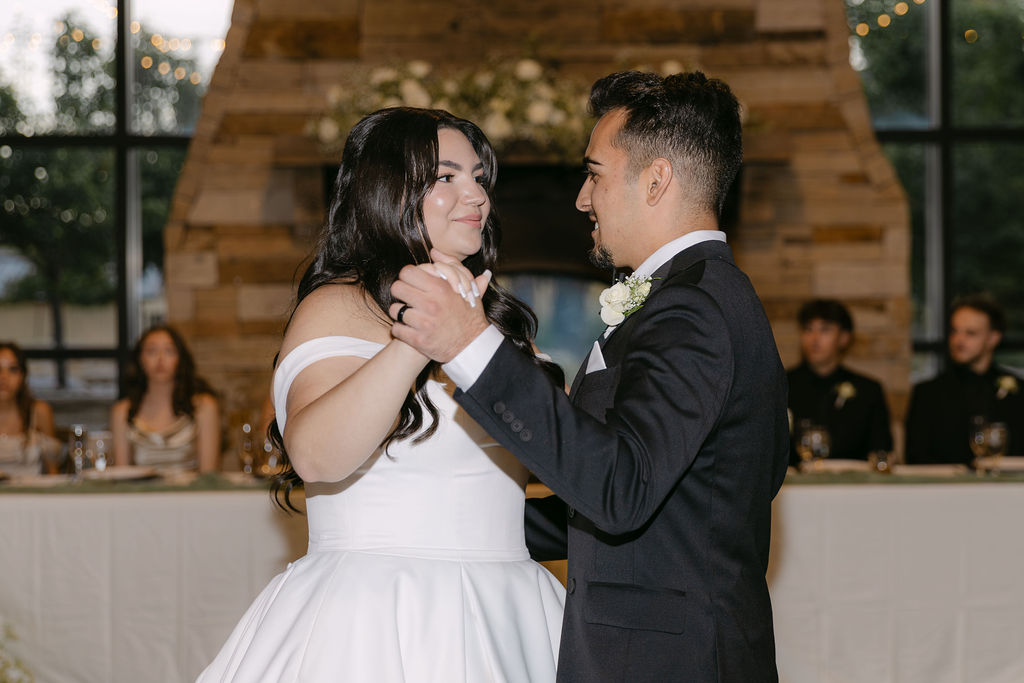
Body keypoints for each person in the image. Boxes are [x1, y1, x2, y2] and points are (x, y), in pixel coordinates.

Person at [392, 71, 790, 682]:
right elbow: (664, 503)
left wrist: (470, 344)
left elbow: (620, 490)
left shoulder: (695, 308)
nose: (581, 198)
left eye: (595, 174)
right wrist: (461, 517)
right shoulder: (700, 297)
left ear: (656, 180)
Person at [197, 108, 565, 682]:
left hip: (509, 608)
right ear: (388, 190)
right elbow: (316, 456)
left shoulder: (499, 319)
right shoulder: (337, 306)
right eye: (446, 177)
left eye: (479, 177)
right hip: (371, 617)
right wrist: (423, 336)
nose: (476, 195)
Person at [905, 294, 1024, 465]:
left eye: (970, 333)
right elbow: (916, 457)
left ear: (993, 338)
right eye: (954, 331)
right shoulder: (928, 392)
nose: (959, 340)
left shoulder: (1019, 391)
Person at [787, 299, 893, 465]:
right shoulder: (782, 386)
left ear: (844, 337)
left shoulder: (868, 390)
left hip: (854, 486)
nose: (814, 338)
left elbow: (881, 451)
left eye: (825, 330)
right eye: (808, 329)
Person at [110, 325, 220, 472]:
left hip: (191, 493)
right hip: (139, 494)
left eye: (169, 351)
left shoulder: (204, 406)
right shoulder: (122, 411)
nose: (160, 359)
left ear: (180, 358)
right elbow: (121, 474)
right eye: (152, 351)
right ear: (140, 359)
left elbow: (209, 475)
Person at [0, 341, 59, 476]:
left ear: (23, 376)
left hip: (34, 494)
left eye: (13, 369)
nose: (4, 377)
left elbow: (53, 470)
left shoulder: (39, 411)